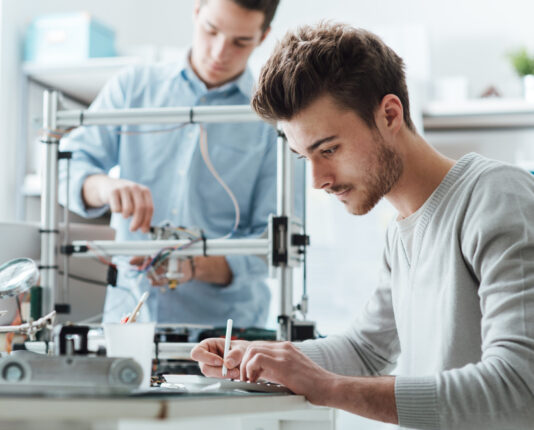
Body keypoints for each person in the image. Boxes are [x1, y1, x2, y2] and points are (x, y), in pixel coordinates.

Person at [191, 22, 534, 429]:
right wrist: (258, 355)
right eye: (305, 158)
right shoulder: (401, 229)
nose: (317, 180)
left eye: (329, 149)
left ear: (389, 114)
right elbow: (367, 350)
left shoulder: (498, 197)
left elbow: (519, 388)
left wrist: (327, 387)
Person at [59, 0, 281, 328]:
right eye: (211, 30)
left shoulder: (273, 120)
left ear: (263, 37)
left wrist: (195, 266)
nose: (220, 52)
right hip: (127, 318)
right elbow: (65, 168)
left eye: (240, 42)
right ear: (196, 12)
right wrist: (105, 187)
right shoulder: (133, 88)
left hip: (226, 332)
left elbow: (277, 241)